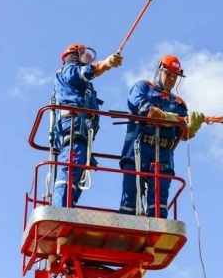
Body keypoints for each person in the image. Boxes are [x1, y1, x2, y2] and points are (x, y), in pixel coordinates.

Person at [118, 54, 205, 218]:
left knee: (158, 205)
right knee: (130, 198)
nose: (172, 79)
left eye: (175, 76)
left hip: (163, 154)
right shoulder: (143, 87)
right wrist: (163, 117)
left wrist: (192, 127)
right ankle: (126, 227)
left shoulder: (179, 104)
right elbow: (138, 104)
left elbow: (184, 133)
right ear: (160, 71)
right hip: (138, 149)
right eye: (169, 74)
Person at [52, 43, 123, 207]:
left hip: (83, 126)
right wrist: (106, 63)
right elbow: (85, 72)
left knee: (80, 164)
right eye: (83, 56)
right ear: (74, 56)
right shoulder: (68, 70)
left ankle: (68, 206)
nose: (86, 61)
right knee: (73, 162)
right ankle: (61, 208)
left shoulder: (83, 85)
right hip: (73, 123)